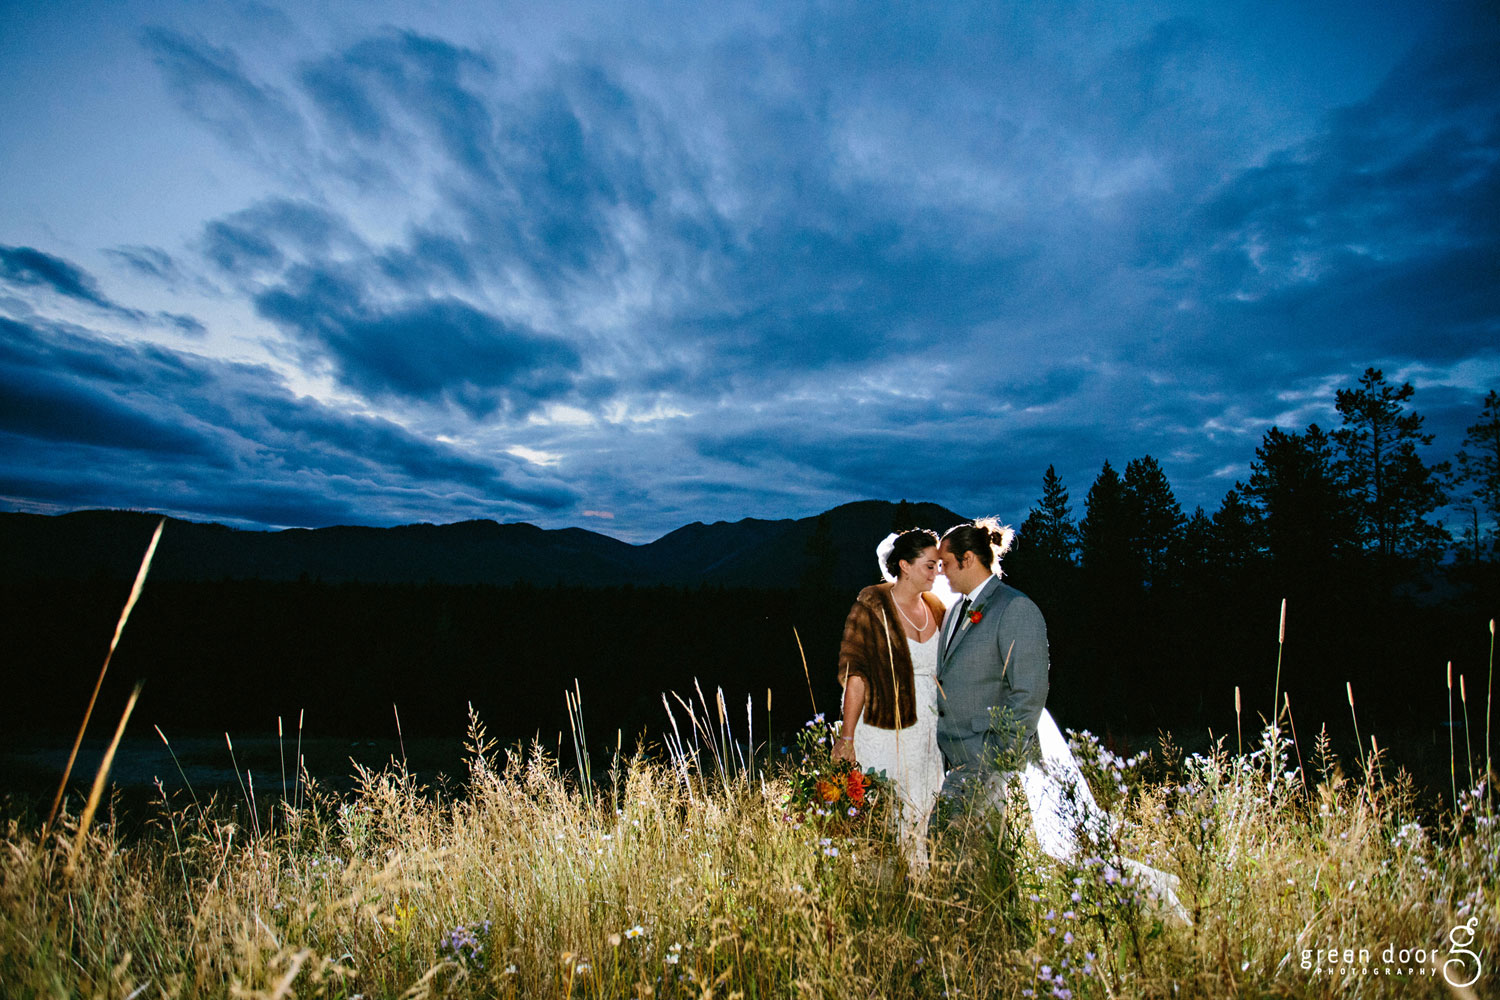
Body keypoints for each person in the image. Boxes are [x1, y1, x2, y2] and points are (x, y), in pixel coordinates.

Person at [935, 518, 1189, 922]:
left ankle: (1156, 905)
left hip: (998, 760)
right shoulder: (954, 615)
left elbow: (1029, 692)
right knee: (985, 853)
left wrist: (998, 757)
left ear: (967, 559)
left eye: (945, 562)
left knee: (1059, 851)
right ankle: (993, 930)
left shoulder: (1015, 608)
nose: (940, 571)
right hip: (962, 758)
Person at [833, 528, 948, 871]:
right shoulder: (870, 606)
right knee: (885, 809)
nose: (936, 573)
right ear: (905, 565)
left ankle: (920, 887)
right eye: (929, 565)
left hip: (929, 729)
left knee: (925, 807)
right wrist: (846, 736)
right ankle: (881, 891)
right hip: (885, 725)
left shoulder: (938, 607)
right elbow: (856, 676)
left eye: (939, 565)